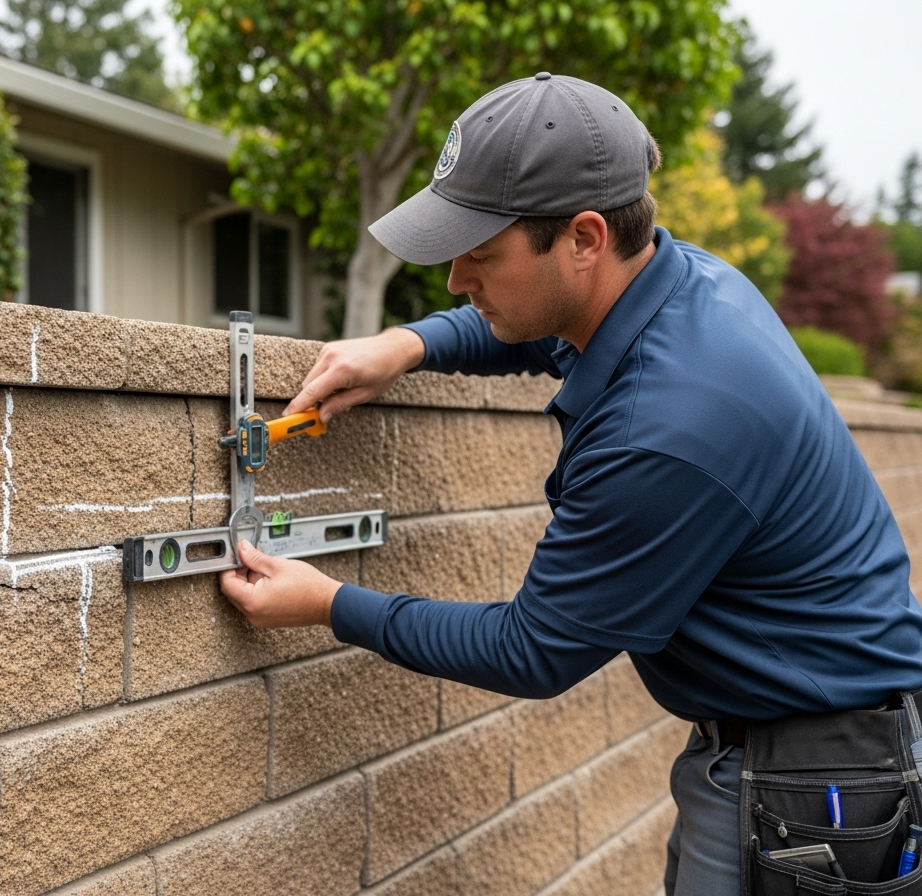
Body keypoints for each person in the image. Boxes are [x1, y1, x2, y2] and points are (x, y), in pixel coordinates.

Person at [217, 73, 922, 896]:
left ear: (585, 237)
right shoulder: (679, 283)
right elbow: (545, 333)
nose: (455, 281)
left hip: (817, 788)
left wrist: (327, 603)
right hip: (816, 749)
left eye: (480, 255)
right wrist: (409, 345)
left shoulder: (666, 430)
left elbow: (533, 650)